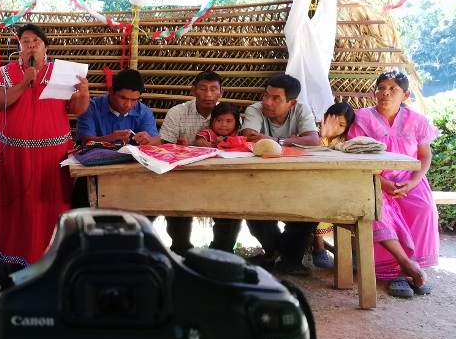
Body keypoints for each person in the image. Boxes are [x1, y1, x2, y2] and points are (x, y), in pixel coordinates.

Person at [0, 23, 90, 267]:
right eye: (25, 42)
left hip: (52, 156)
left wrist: (84, 93)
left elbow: (76, 110)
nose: (31, 45)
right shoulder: (7, 72)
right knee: (17, 208)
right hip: (13, 154)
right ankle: (13, 259)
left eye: (36, 41)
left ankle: (52, 257)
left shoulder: (62, 72)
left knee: (50, 206)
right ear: (20, 48)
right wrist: (23, 84)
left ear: (46, 47)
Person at [346, 70, 439, 298]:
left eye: (393, 89)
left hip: (410, 180)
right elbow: (354, 159)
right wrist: (383, 182)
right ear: (373, 92)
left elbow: (424, 156)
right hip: (373, 180)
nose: (385, 93)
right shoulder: (361, 120)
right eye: (381, 88)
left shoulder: (417, 121)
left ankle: (411, 268)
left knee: (423, 208)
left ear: (405, 94)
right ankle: (399, 269)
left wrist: (414, 181)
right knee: (379, 211)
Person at [242, 74, 321, 276]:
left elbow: (313, 140)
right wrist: (294, 139)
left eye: (276, 98)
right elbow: (249, 137)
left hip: (297, 178)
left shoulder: (302, 110)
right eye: (266, 95)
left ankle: (280, 256)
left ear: (291, 103)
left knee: (310, 210)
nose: (267, 102)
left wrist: (275, 140)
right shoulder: (255, 109)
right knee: (251, 206)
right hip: (260, 177)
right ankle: (282, 255)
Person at [158, 71, 241, 255]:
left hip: (222, 177)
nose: (208, 94)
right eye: (203, 88)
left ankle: (222, 252)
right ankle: (181, 249)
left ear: (222, 91)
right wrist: (179, 146)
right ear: (192, 91)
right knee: (177, 205)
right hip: (182, 177)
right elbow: (165, 146)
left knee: (232, 204)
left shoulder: (230, 113)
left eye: (213, 89)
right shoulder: (177, 113)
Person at [311, 102, 356, 269]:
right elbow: (313, 157)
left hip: (341, 184)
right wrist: (322, 137)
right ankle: (319, 247)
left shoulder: (348, 141)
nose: (336, 127)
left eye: (342, 124)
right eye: (333, 121)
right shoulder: (314, 136)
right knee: (318, 202)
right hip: (318, 183)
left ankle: (353, 251)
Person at [75, 68, 161, 146]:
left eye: (134, 100)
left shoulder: (144, 112)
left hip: (132, 163)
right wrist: (109, 139)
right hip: (96, 162)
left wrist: (149, 140)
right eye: (123, 98)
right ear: (111, 91)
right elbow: (85, 141)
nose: (128, 104)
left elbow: (157, 141)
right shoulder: (90, 108)